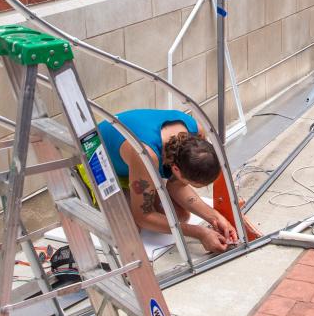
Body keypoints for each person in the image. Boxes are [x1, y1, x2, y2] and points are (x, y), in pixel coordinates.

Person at [96, 109, 237, 254]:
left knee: (181, 216)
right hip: (99, 160)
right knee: (130, 230)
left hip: (134, 161)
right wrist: (199, 233)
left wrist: (215, 218)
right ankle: (91, 188)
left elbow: (176, 186)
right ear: (175, 169)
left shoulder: (197, 134)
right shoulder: (146, 155)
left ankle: (141, 185)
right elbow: (143, 216)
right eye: (191, 183)